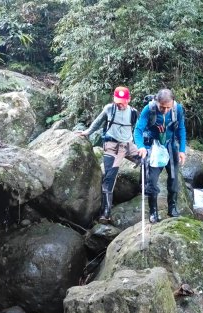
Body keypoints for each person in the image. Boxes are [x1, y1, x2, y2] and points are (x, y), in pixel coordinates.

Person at [78, 86, 140, 221]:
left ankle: (141, 191)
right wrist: (87, 132)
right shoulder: (109, 109)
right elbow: (97, 123)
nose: (120, 104)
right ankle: (106, 210)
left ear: (129, 99)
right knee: (110, 176)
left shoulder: (134, 112)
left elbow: (139, 129)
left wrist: (141, 147)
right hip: (111, 146)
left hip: (128, 145)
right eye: (117, 101)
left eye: (123, 101)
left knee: (146, 160)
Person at [135, 89, 187, 223]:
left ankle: (173, 207)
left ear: (173, 103)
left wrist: (182, 150)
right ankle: (153, 211)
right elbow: (138, 129)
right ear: (157, 102)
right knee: (151, 180)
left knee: (174, 177)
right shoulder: (149, 109)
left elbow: (181, 128)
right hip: (152, 146)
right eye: (162, 107)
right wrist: (141, 147)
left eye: (168, 107)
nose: (165, 110)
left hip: (170, 145)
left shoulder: (177, 109)